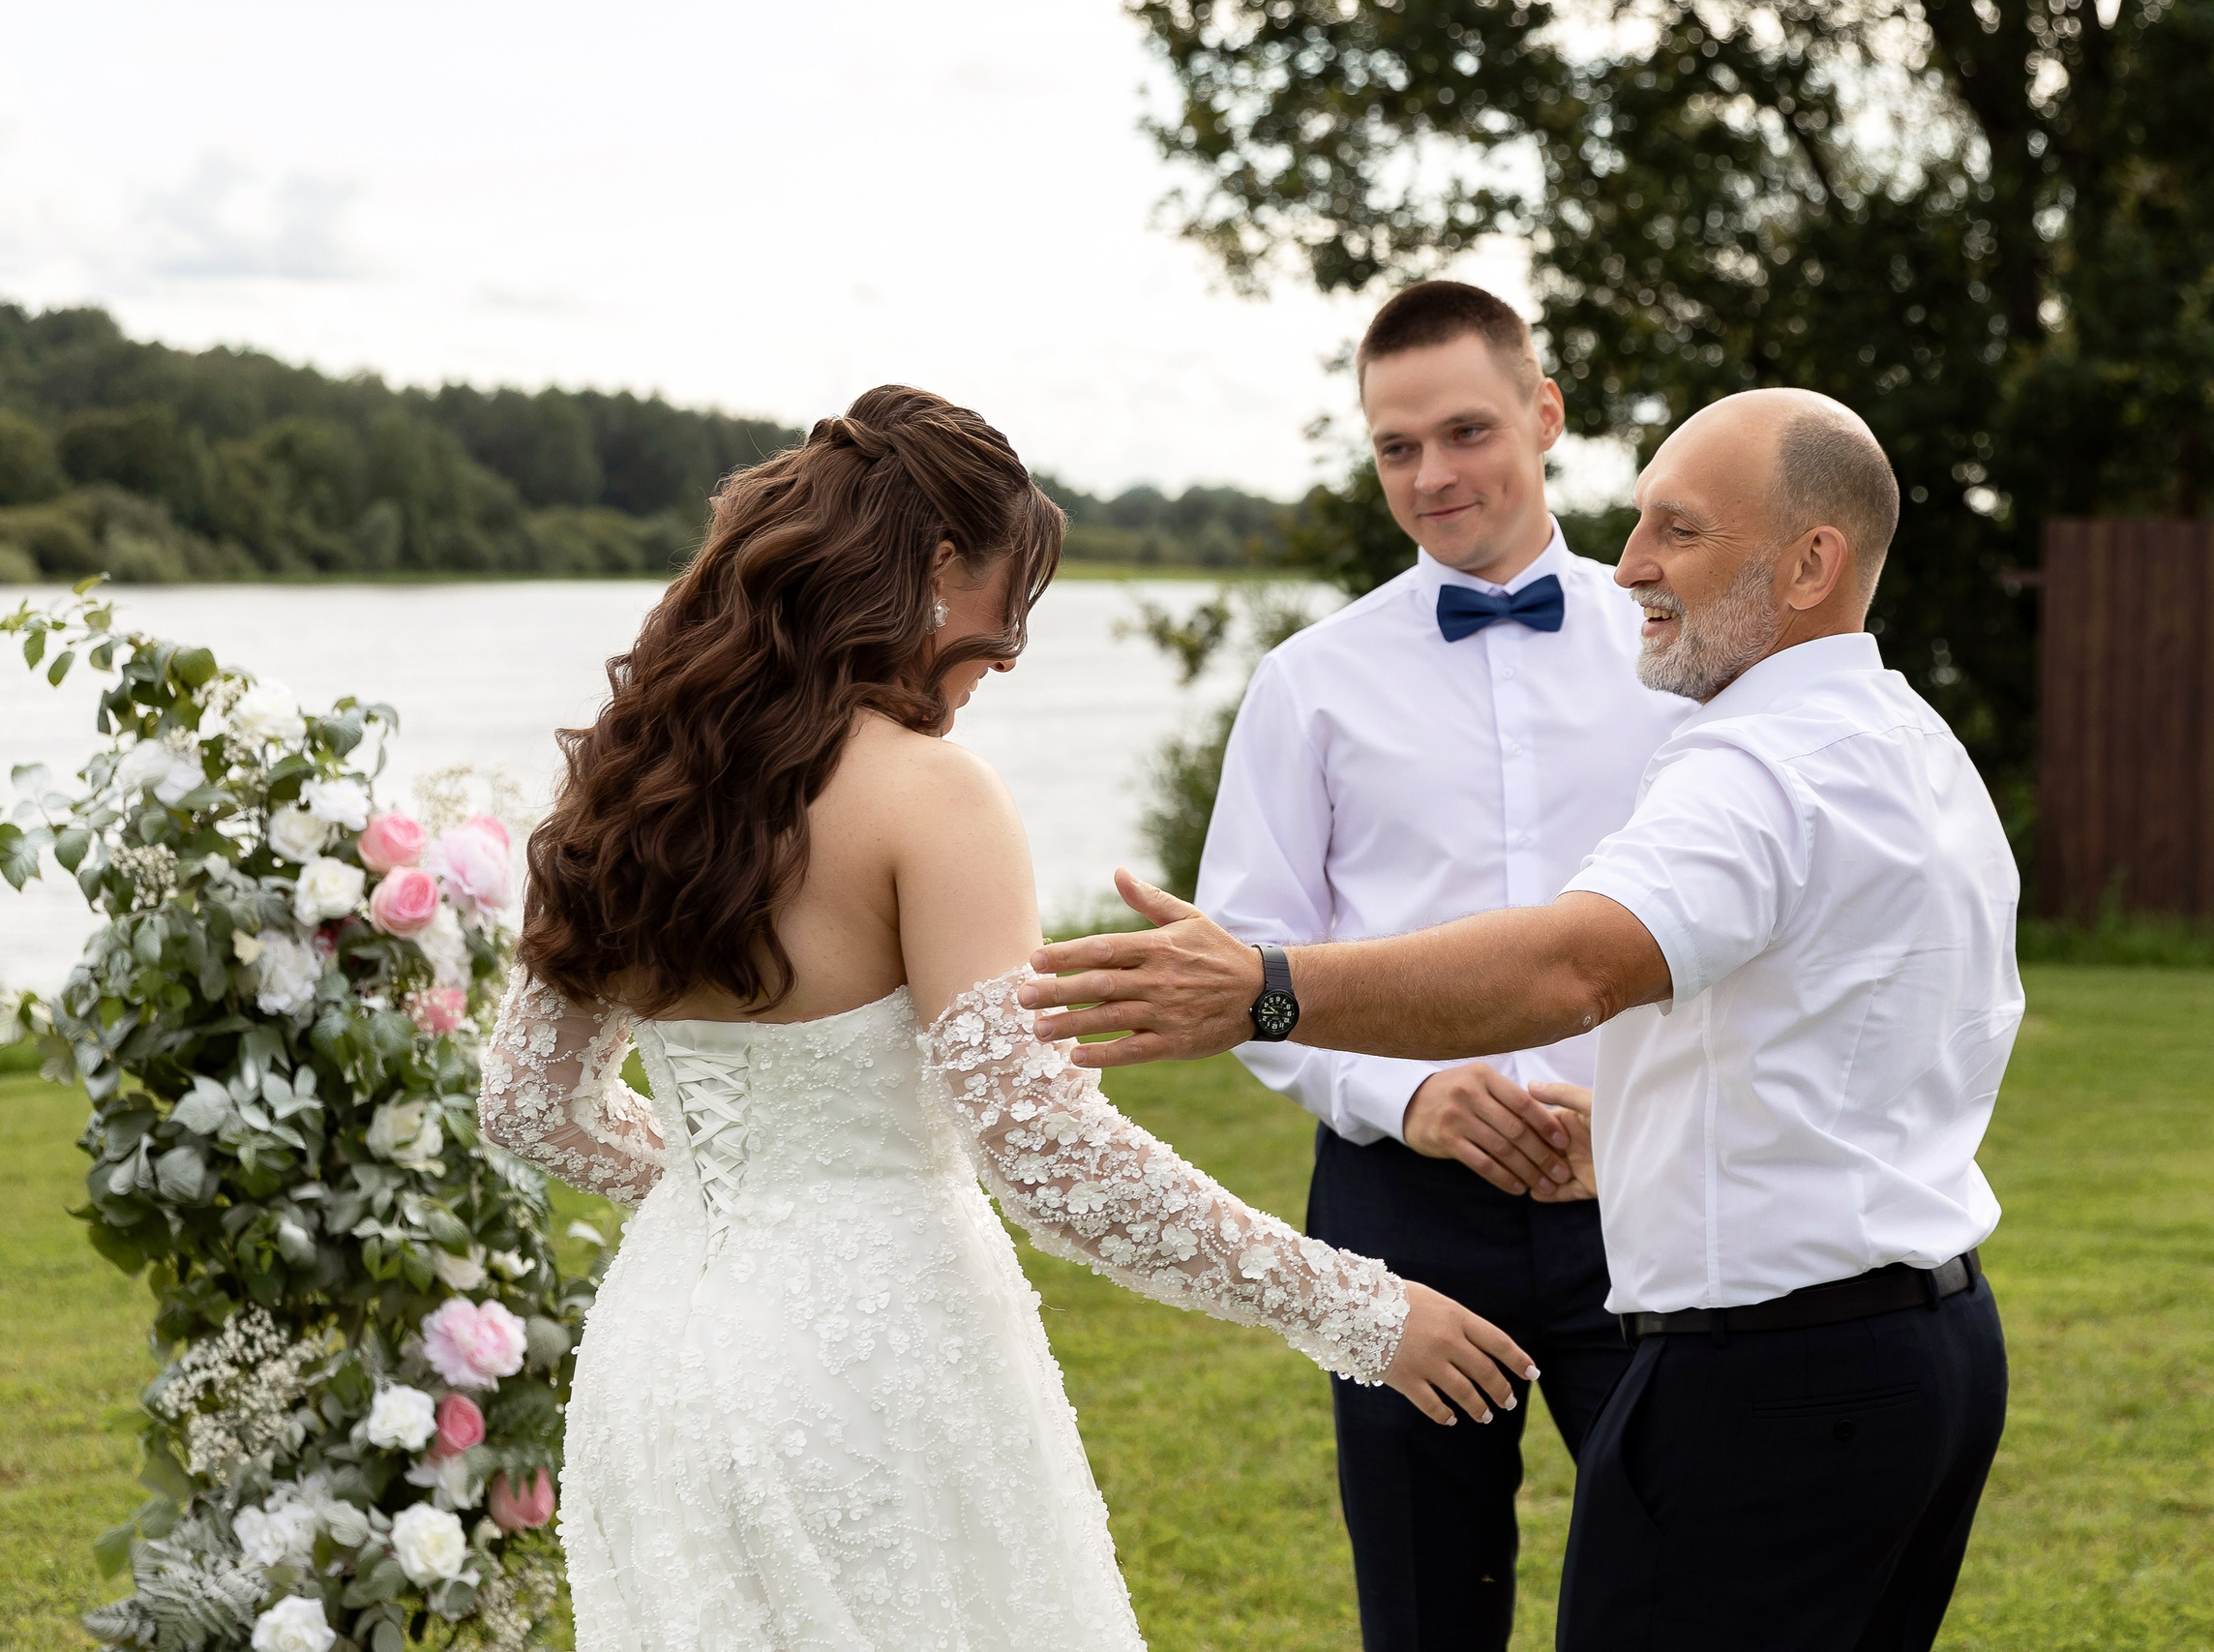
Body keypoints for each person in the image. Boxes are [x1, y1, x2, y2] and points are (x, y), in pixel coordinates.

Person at [475, 385, 1536, 1652]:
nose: (1009, 654)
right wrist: (1361, 1311)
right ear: (934, 568)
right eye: (1006, 605)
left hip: (657, 1369)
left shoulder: (628, 787)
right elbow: (1049, 1156)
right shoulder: (932, 795)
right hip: (868, 1371)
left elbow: (529, 1107)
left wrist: (742, 1189)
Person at [1024, 387, 2022, 1651]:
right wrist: (1654, 1131)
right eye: (1641, 523)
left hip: (1770, 1380)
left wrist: (1268, 989)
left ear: (1810, 563)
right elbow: (1895, 1015)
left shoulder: (1756, 767)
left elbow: (1572, 970)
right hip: (1925, 1347)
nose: (1633, 563)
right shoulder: (1910, 738)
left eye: (1679, 530)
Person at [1197, 280, 1690, 1651]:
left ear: (1546, 415)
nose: (1432, 476)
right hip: (1398, 1212)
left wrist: (1640, 1104)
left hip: (1643, 1186)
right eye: (1396, 447)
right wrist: (1403, 1095)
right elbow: (1247, 967)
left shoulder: (1680, 654)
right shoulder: (1309, 680)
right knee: (1424, 1610)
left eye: (1466, 432)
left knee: (1684, 1586)